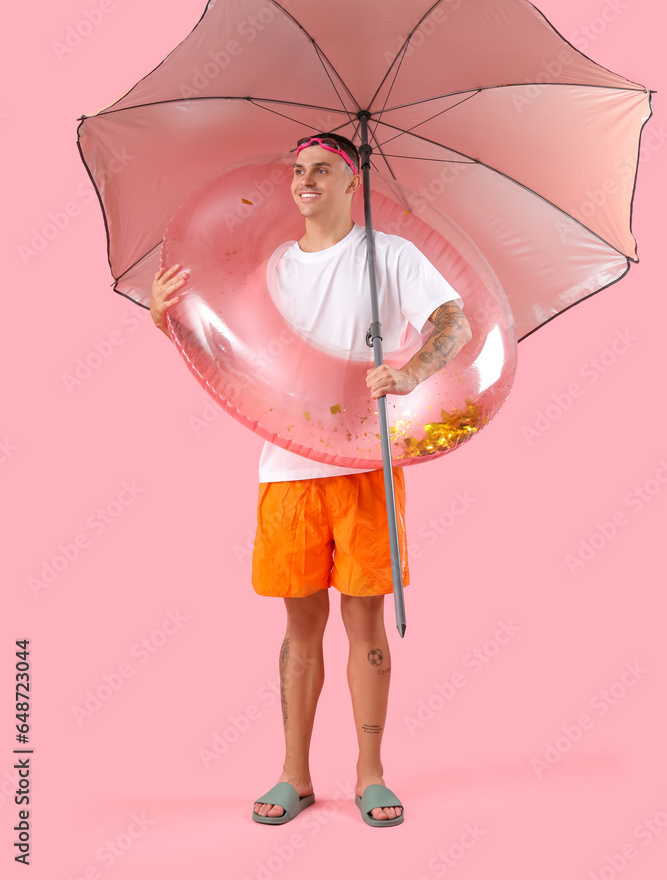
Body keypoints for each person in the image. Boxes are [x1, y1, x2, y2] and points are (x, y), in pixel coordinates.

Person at [150, 132, 472, 827]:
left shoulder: (390, 256)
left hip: (363, 466)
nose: (305, 180)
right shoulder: (275, 269)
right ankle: (294, 774)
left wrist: (411, 370)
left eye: (321, 169)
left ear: (349, 180)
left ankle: (370, 775)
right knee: (300, 625)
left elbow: (454, 321)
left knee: (365, 620)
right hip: (287, 469)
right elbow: (237, 355)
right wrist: (166, 324)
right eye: (298, 170)